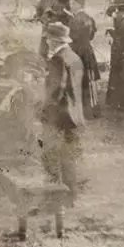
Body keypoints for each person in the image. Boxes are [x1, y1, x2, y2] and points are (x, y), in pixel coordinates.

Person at [39, 22, 85, 203]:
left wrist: (44, 111)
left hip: (59, 115)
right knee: (69, 157)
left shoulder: (58, 59)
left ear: (54, 40)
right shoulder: (74, 57)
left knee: (50, 155)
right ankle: (70, 195)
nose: (47, 42)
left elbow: (57, 90)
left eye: (48, 39)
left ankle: (55, 195)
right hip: (74, 114)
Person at [65, 0, 100, 119]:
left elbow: (71, 37)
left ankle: (81, 112)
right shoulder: (89, 18)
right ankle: (91, 110)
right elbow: (91, 36)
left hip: (77, 52)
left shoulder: (74, 20)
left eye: (72, 4)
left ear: (77, 4)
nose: (70, 6)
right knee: (89, 81)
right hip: (88, 52)